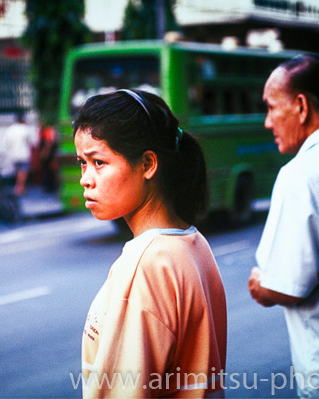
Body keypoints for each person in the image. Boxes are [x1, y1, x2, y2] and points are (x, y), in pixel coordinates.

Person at [74, 89, 227, 398]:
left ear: (147, 164)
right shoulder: (193, 243)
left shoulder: (144, 266)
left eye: (99, 162)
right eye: (82, 162)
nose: (85, 179)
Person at [247, 55, 319, 397]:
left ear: (301, 106)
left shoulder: (301, 174)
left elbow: (287, 286)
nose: (268, 122)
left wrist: (259, 285)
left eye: (271, 107)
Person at [2, 111, 39, 195]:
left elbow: (6, 143)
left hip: (13, 154)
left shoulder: (10, 129)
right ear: (23, 119)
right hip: (23, 154)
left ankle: (19, 186)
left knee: (17, 171)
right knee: (23, 171)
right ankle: (20, 187)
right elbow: (33, 142)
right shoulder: (25, 129)